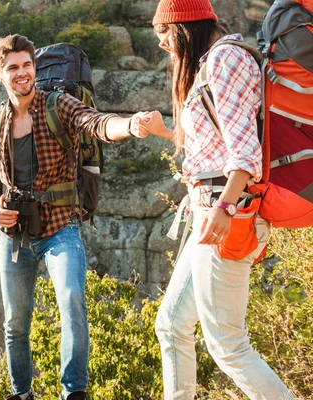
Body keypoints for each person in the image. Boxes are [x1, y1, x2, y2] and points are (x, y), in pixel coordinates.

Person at [138, 0, 296, 399]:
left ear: (183, 27)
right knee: (172, 323)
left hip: (227, 212)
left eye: (164, 34)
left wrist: (225, 207)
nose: (161, 45)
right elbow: (214, 148)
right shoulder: (212, 62)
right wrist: (164, 131)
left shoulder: (224, 60)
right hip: (213, 209)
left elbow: (243, 151)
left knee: (228, 345)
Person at [0, 34, 148, 400]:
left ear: (34, 67)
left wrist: (129, 125)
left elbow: (95, 123)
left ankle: (73, 392)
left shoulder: (58, 106)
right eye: (13, 68)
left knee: (71, 299)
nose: (23, 73)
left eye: (27, 65)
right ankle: (21, 392)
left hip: (60, 228)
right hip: (15, 235)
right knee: (14, 323)